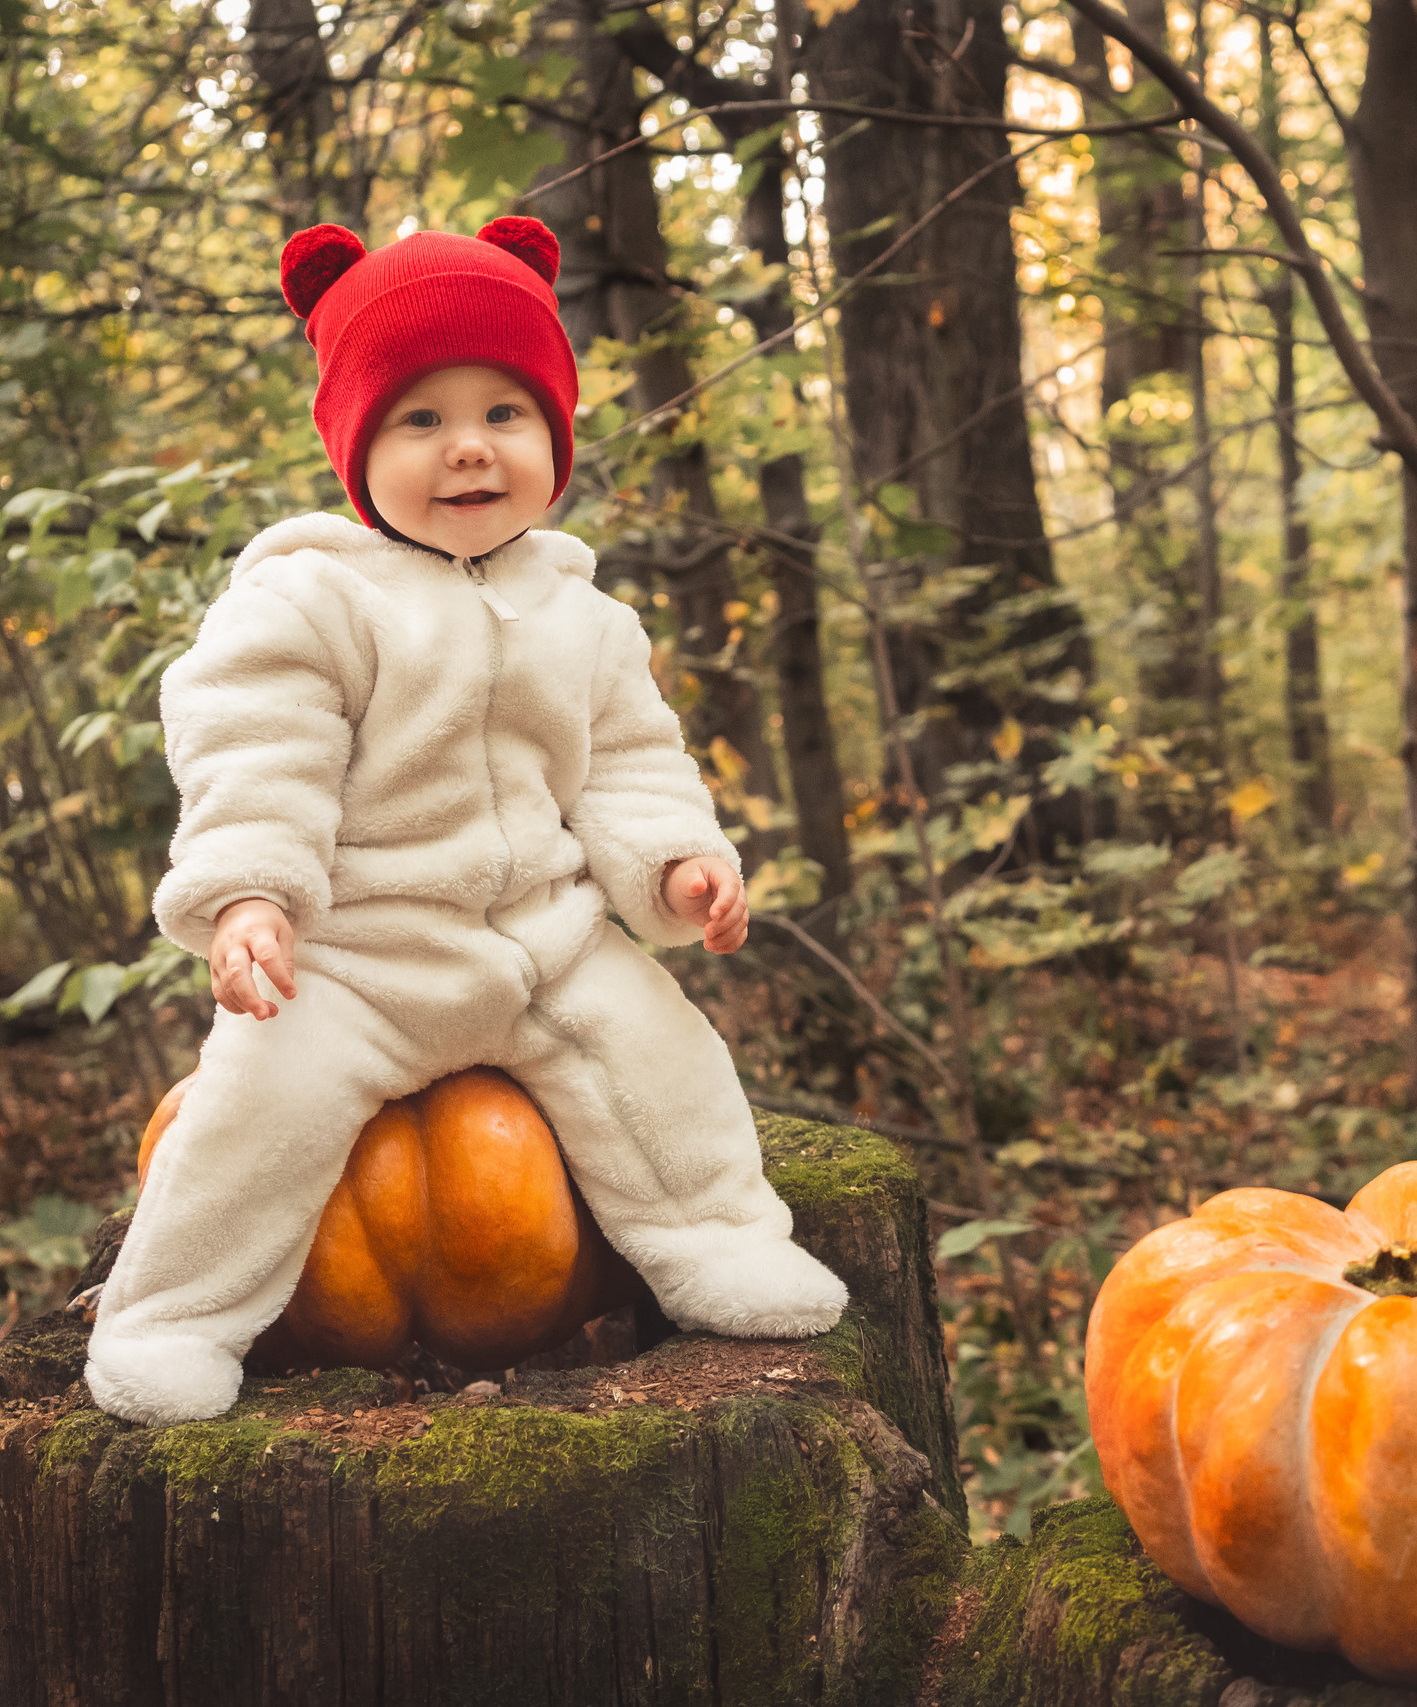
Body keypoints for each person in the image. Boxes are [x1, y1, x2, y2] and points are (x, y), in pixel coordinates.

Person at [82, 215, 847, 1427]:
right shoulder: (314, 597)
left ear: (554, 434)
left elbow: (633, 763)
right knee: (249, 1117)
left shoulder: (584, 617)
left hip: (544, 942)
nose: (468, 451)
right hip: (361, 959)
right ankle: (173, 1315)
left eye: (504, 413)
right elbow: (256, 748)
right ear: (356, 443)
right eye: (421, 421)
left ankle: (715, 1241)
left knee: (667, 1060)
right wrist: (251, 894)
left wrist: (680, 864)